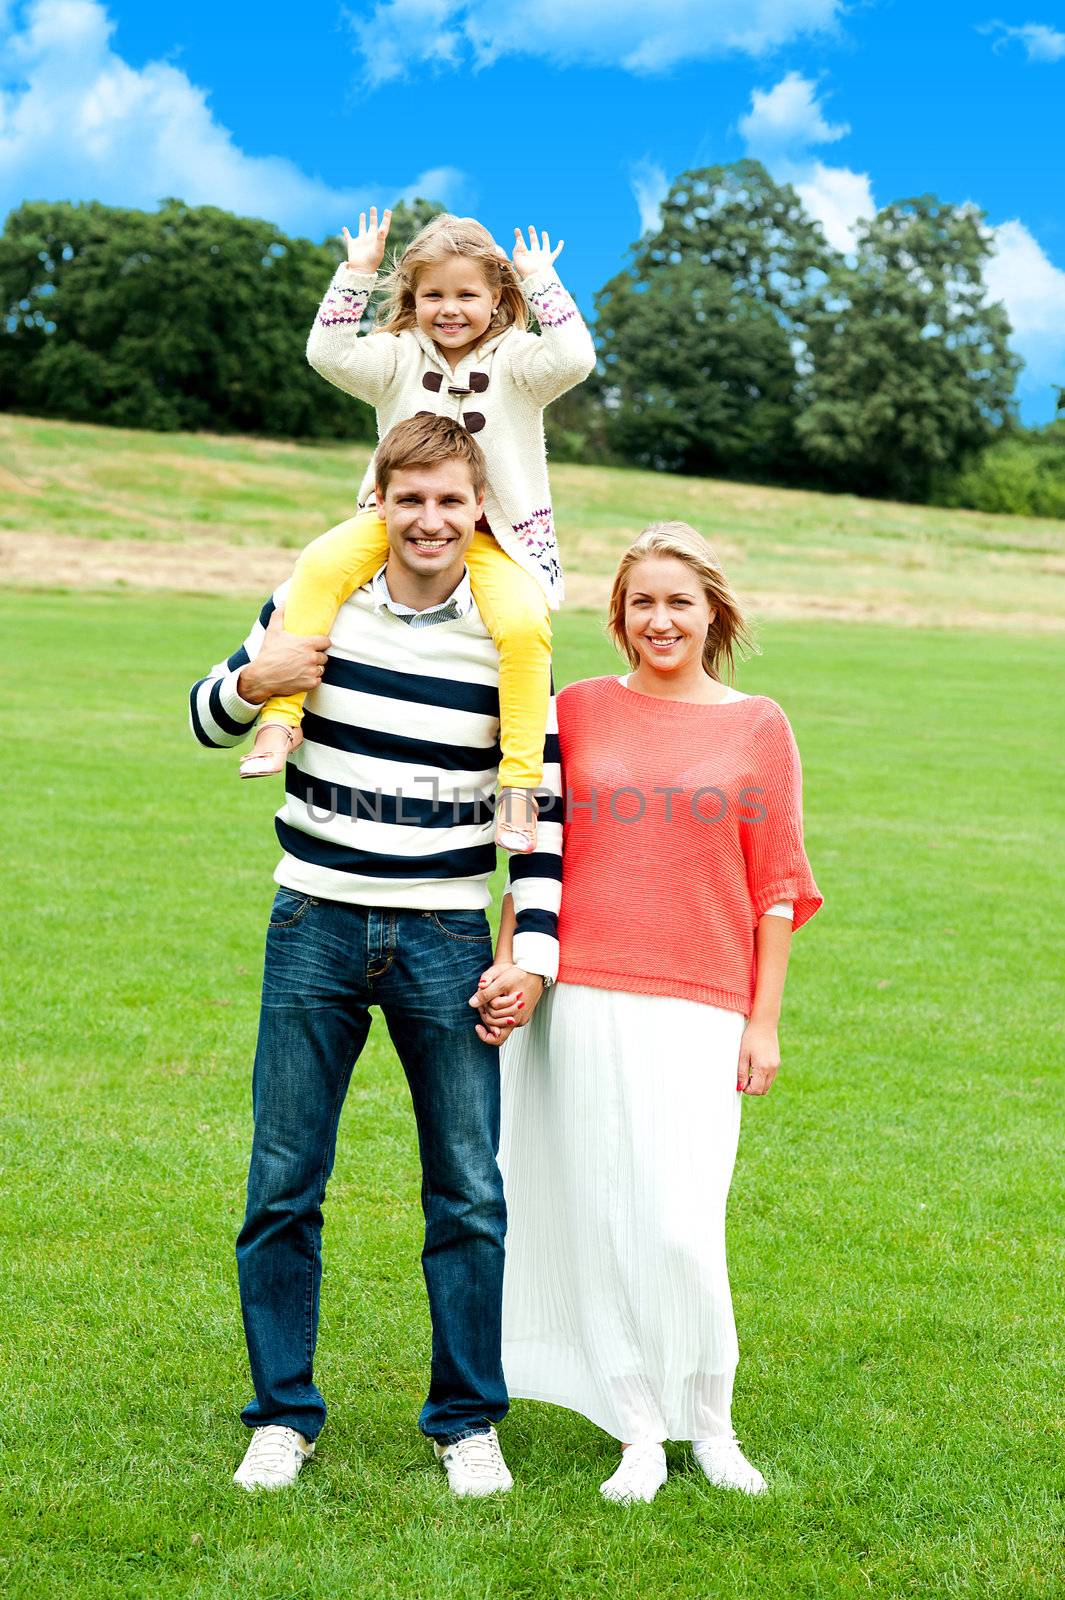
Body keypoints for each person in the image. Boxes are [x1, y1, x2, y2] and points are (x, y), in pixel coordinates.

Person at [188, 416, 562, 1498]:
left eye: (452, 501)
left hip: (447, 933)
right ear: (380, 503)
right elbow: (204, 712)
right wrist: (257, 685)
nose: (431, 520)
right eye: (412, 499)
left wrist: (527, 953)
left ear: (478, 509)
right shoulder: (313, 600)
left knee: (468, 1191)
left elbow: (548, 802)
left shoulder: (509, 629)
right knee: (283, 1182)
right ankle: (282, 1416)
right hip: (314, 920)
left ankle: (465, 1420)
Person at [472, 522, 823, 1505]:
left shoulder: (759, 723)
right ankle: (634, 1424)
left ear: (713, 612)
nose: (660, 619)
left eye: (679, 601)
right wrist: (511, 964)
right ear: (618, 617)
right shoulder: (573, 711)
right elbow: (532, 856)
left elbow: (780, 886)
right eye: (642, 603)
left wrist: (765, 1020)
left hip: (705, 1007)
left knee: (680, 1222)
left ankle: (709, 1421)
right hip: (579, 1000)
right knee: (600, 1214)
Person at [239, 209, 596, 856]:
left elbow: (575, 357)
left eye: (467, 294)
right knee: (315, 569)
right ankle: (280, 721)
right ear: (411, 298)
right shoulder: (396, 358)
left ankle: (517, 788)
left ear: (497, 296)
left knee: (522, 628)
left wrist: (541, 279)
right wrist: (356, 273)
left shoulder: (519, 361)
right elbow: (327, 352)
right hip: (394, 523)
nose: (449, 308)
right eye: (433, 294)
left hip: (496, 539)